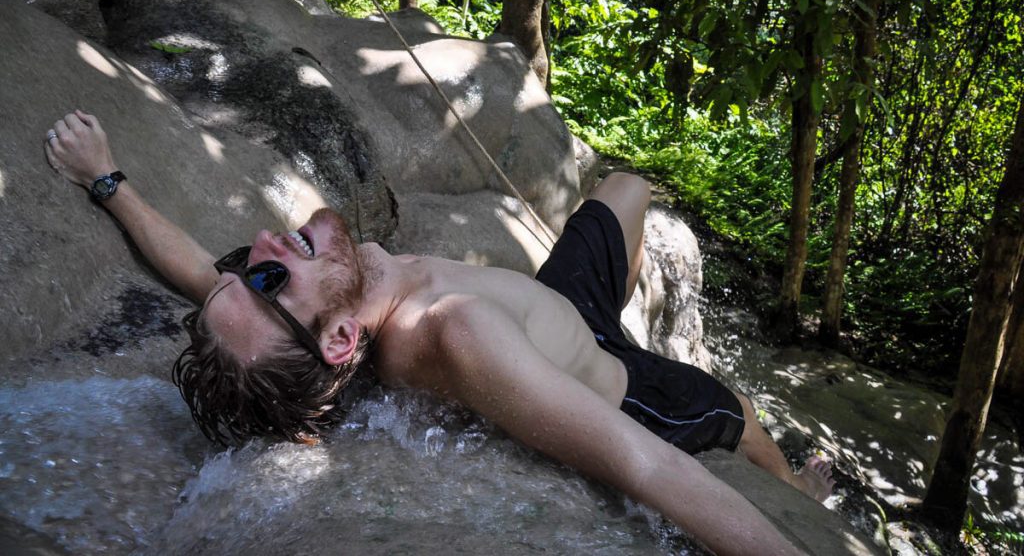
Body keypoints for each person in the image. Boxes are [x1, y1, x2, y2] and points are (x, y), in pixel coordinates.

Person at [45, 110, 834, 555]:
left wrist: (106, 178)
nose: (258, 248)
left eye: (244, 268)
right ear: (342, 343)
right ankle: (796, 487)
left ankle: (616, 310)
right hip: (625, 387)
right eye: (265, 277)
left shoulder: (313, 305)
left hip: (557, 306)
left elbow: (193, 272)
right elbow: (649, 468)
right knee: (737, 412)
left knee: (627, 187)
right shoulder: (455, 336)